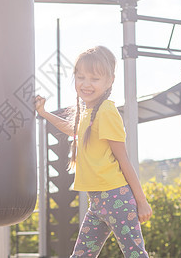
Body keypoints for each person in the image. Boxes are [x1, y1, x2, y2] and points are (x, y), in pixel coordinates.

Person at [35, 46, 152, 257]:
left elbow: (123, 159)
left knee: (135, 254)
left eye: (94, 79)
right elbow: (71, 128)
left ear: (109, 81)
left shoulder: (106, 111)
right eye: (81, 77)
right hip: (97, 202)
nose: (86, 84)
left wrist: (141, 201)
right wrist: (43, 112)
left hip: (117, 197)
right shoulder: (89, 112)